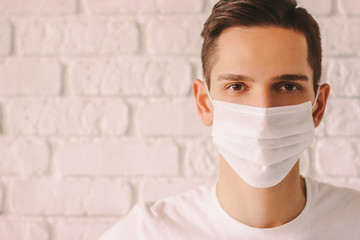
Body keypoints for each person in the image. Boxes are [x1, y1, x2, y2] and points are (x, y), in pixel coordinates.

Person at [99, 0, 360, 239]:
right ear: (204, 103)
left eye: (288, 86)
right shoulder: (147, 233)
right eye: (237, 86)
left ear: (318, 106)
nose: (263, 113)